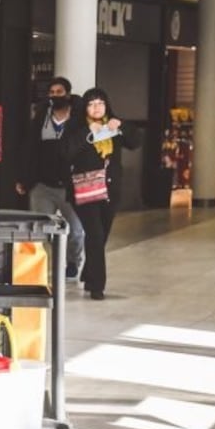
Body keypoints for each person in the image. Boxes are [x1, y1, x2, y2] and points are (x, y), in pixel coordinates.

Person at [62, 87, 141, 300]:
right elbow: (67, 152)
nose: (97, 108)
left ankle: (89, 273)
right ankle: (97, 286)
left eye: (101, 103)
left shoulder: (113, 126)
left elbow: (135, 143)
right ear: (85, 108)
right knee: (95, 235)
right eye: (92, 104)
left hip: (110, 189)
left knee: (102, 234)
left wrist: (122, 127)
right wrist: (90, 134)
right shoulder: (76, 128)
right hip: (85, 190)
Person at [15, 77, 85, 280]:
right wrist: (24, 178)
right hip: (42, 185)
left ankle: (73, 262)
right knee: (41, 229)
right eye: (51, 92)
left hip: (69, 186)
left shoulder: (77, 118)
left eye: (59, 92)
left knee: (75, 231)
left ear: (68, 94)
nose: (55, 96)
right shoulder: (41, 117)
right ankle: (44, 265)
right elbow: (29, 149)